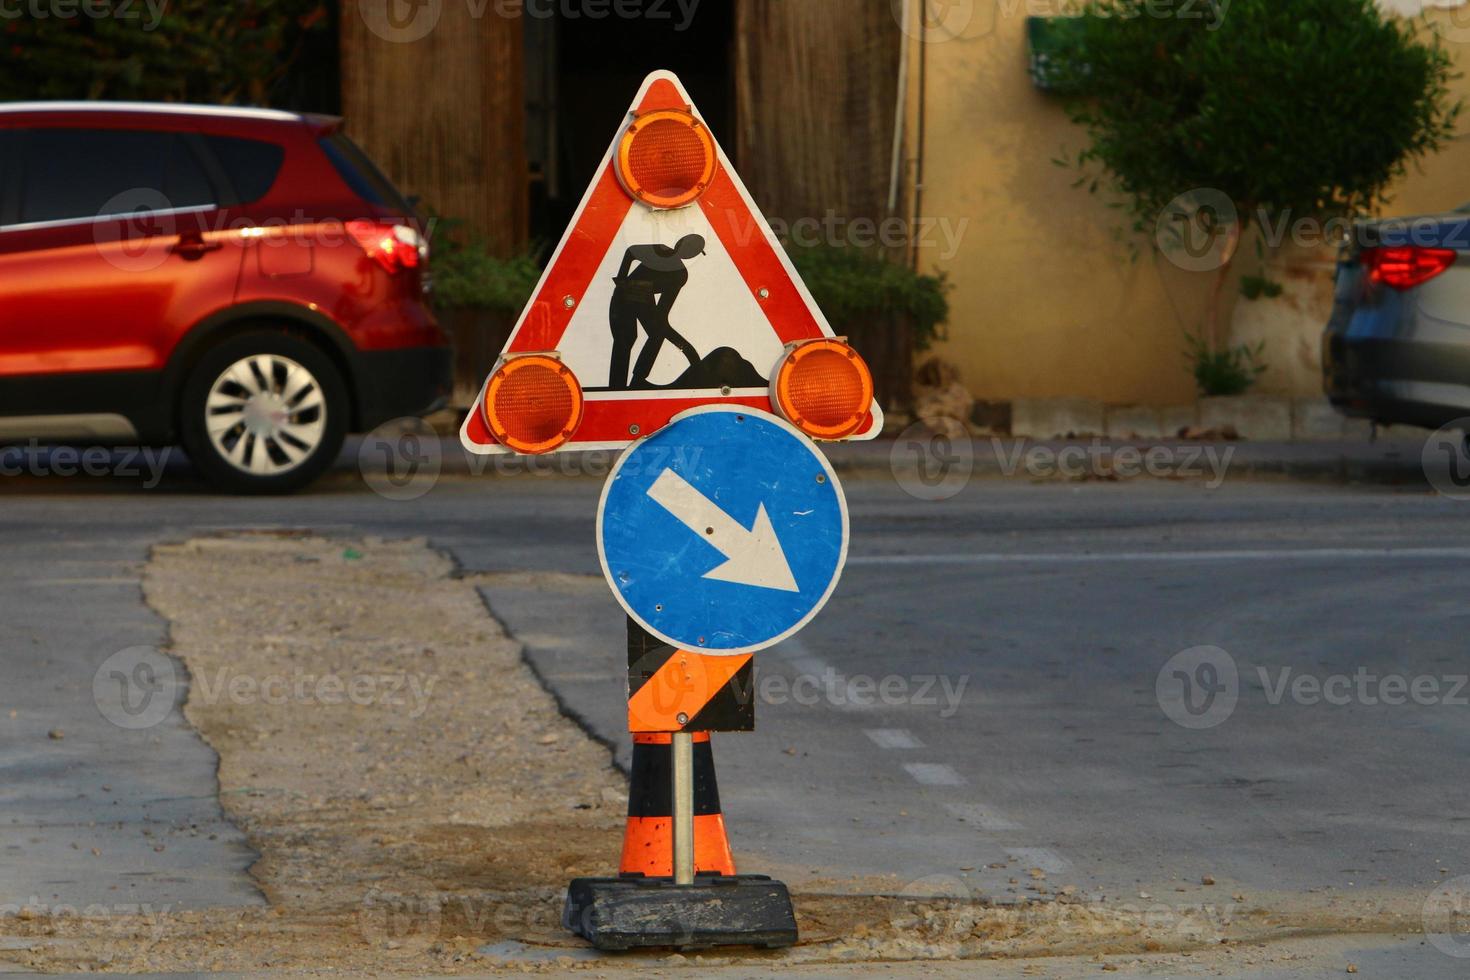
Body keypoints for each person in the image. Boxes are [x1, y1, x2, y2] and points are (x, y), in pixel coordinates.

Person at [607, 234, 705, 388]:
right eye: (689, 246)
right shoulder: (661, 250)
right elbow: (631, 252)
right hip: (628, 291)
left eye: (693, 249)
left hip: (644, 296)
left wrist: (684, 346)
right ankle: (616, 387)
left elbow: (661, 314)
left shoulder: (680, 274)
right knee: (625, 338)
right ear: (680, 242)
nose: (688, 250)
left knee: (657, 334)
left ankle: (637, 380)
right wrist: (622, 280)